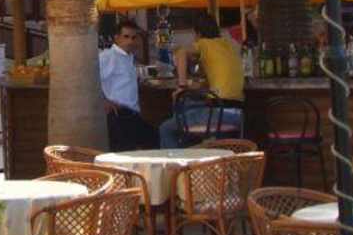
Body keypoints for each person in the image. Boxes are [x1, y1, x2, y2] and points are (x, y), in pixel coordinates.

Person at [158, 13, 245, 147]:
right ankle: (196, 152)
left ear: (197, 33)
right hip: (238, 115)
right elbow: (213, 82)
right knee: (189, 111)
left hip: (218, 114)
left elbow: (181, 53)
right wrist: (195, 84)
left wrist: (182, 86)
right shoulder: (228, 46)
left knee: (166, 128)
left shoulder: (204, 43)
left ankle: (181, 159)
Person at [99, 18, 158, 151]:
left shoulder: (128, 57)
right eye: (126, 37)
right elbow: (92, 80)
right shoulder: (108, 57)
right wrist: (103, 100)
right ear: (117, 38)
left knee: (155, 140)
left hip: (132, 115)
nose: (130, 41)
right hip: (118, 116)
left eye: (133, 37)